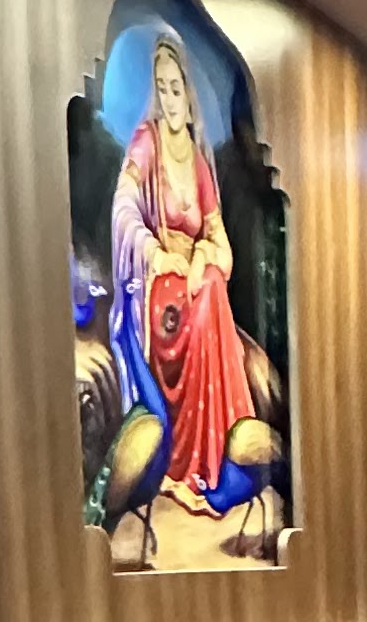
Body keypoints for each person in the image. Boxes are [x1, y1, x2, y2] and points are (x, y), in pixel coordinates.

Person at [110, 28, 258, 514]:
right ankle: (190, 469)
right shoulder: (146, 142)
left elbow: (219, 238)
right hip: (159, 284)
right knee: (209, 290)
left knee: (212, 284)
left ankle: (214, 462)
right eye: (163, 89)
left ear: (189, 95)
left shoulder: (196, 161)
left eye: (177, 89)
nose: (170, 99)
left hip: (195, 279)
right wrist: (156, 253)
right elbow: (124, 205)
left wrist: (201, 257)